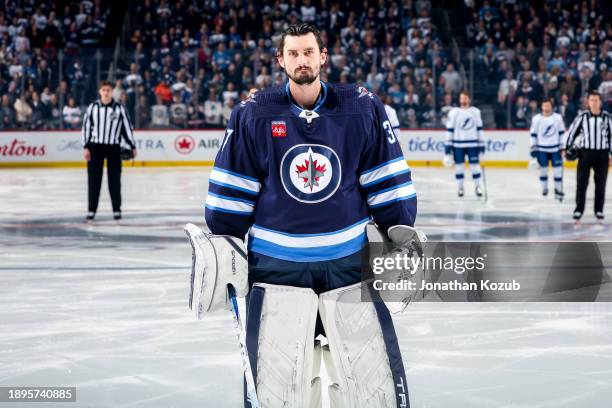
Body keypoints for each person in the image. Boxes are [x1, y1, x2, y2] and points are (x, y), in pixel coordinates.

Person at [204, 23, 417, 407]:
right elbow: (229, 198)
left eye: (308, 52)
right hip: (276, 266)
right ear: (281, 61)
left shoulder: (361, 106)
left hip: (348, 264)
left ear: (322, 57)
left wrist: (399, 232)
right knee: (278, 378)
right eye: (293, 54)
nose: (301, 60)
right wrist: (225, 244)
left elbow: (386, 181)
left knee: (366, 375)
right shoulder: (254, 114)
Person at [82, 81, 137, 221]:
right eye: (104, 90)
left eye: (108, 90)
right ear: (100, 92)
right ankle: (91, 210)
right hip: (95, 147)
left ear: (112, 92)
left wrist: (132, 145)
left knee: (115, 180)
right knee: (94, 180)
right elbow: (86, 128)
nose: (106, 92)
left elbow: (127, 127)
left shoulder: (119, 108)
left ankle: (117, 210)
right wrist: (86, 147)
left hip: (113, 147)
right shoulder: (93, 107)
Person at [565, 91, 612, 223]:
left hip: (602, 155)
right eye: (591, 100)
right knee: (581, 184)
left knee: (600, 184)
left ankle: (599, 210)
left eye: (596, 100)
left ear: (600, 102)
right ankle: (579, 209)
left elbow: (611, 137)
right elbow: (572, 133)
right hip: (585, 153)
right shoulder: (582, 117)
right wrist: (568, 148)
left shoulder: (607, 118)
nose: (594, 102)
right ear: (588, 102)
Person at [444, 90, 485, 197]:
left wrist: (482, 146)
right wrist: (448, 147)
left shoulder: (475, 112)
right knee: (459, 167)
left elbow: (479, 129)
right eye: (462, 98)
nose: (463, 100)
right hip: (458, 145)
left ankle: (478, 187)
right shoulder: (454, 112)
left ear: (469, 99)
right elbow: (450, 130)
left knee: (475, 167)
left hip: (473, 145)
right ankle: (460, 188)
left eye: (465, 98)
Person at [529, 98, 566, 201]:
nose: (546, 108)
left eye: (548, 106)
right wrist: (533, 147)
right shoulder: (536, 119)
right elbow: (533, 134)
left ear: (551, 106)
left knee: (558, 171)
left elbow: (562, 133)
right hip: (542, 149)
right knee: (543, 171)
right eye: (544, 106)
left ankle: (558, 190)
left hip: (555, 149)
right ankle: (544, 188)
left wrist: (563, 147)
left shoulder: (558, 118)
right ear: (542, 107)